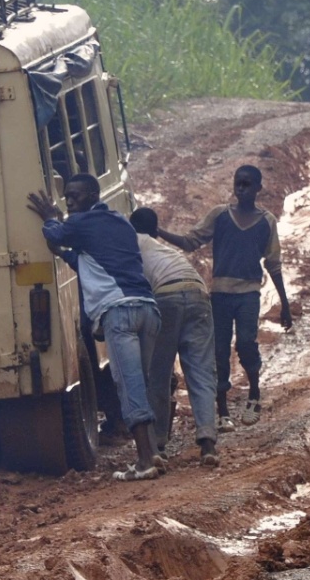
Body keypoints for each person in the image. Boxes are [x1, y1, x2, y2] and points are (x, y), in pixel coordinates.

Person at [27, 174, 164, 481]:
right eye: (67, 197)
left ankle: (145, 461)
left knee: (129, 388)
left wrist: (51, 216)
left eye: (75, 195)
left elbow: (55, 231)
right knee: (142, 382)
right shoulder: (120, 223)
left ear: (92, 195)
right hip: (147, 309)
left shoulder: (81, 223)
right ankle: (153, 451)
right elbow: (88, 261)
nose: (69, 201)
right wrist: (64, 252)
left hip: (120, 313)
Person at [163, 165, 292, 426]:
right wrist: (158, 231)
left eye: (246, 184)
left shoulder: (267, 222)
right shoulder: (220, 215)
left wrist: (285, 304)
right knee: (219, 351)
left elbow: (273, 263)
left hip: (248, 294)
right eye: (238, 183)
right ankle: (222, 412)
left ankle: (254, 393)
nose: (241, 189)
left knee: (245, 343)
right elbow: (191, 242)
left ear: (258, 188)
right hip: (220, 294)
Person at [130, 207, 220, 467]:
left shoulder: (133, 242)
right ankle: (208, 443)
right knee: (201, 373)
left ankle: (157, 444)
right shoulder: (166, 251)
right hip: (198, 293)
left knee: (158, 374)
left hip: (167, 296)